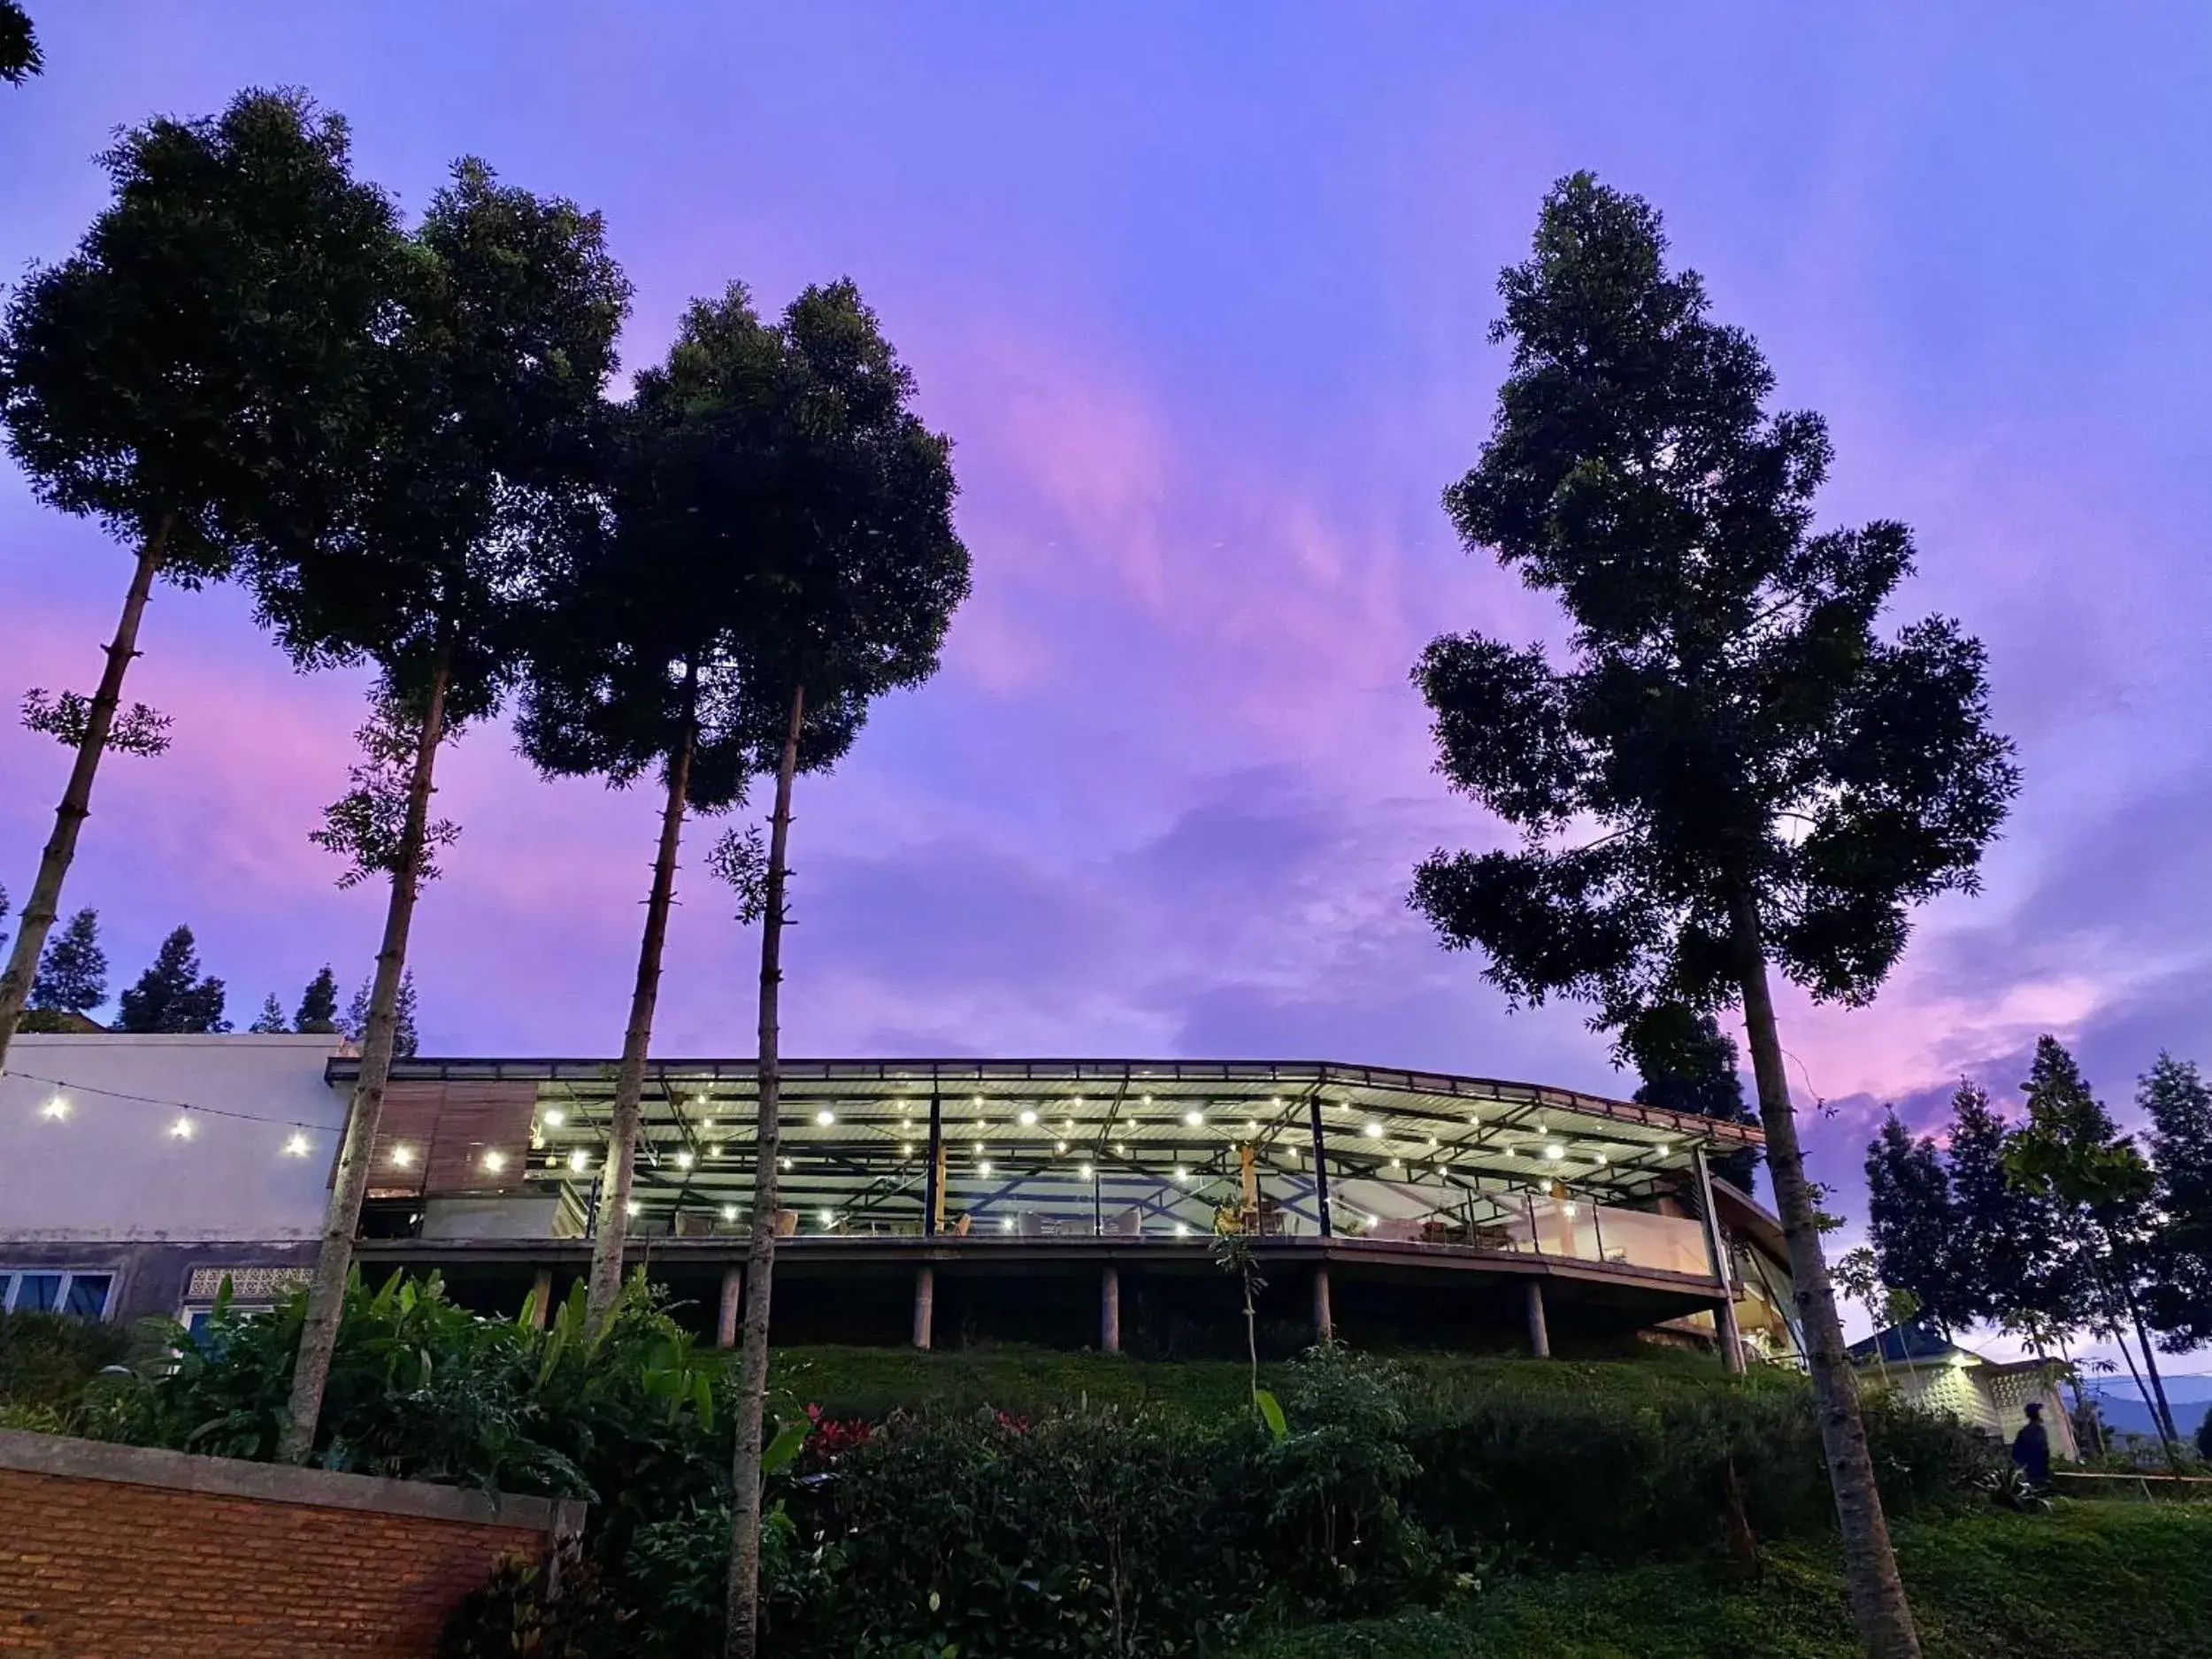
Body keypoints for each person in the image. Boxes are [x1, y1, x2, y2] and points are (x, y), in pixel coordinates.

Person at [2011, 1401, 2052, 1487]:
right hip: (2037, 1465)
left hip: (2031, 1465)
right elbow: (2043, 1448)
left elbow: (2016, 1451)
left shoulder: (2025, 1431)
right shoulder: (2038, 1430)